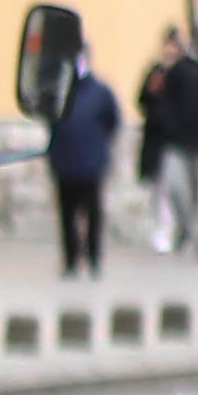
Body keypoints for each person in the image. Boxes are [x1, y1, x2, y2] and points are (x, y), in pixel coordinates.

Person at [138, 23, 198, 258]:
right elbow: (158, 101)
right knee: (176, 190)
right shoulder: (179, 71)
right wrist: (169, 124)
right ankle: (187, 227)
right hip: (178, 141)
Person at [47, 47, 120, 277]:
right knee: (67, 215)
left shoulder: (100, 92)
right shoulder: (60, 91)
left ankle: (94, 258)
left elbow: (112, 121)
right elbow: (52, 122)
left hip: (91, 164)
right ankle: (71, 260)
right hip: (65, 162)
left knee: (93, 215)